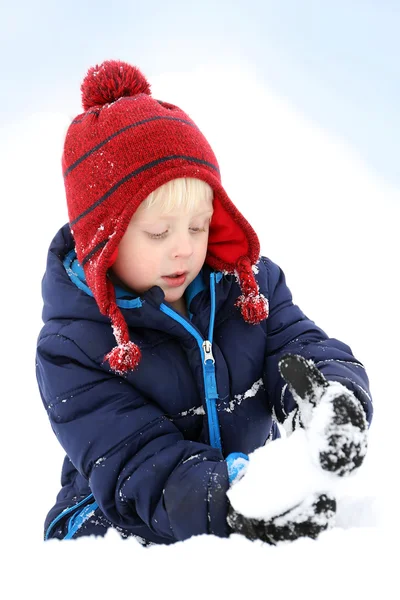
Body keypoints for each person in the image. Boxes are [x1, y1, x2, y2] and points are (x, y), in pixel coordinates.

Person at [36, 59, 373, 545]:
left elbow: (299, 343)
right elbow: (136, 462)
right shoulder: (74, 347)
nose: (184, 248)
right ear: (101, 243)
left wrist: (330, 398)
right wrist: (233, 496)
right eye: (158, 233)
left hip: (244, 497)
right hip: (122, 517)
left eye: (199, 227)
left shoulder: (246, 289)